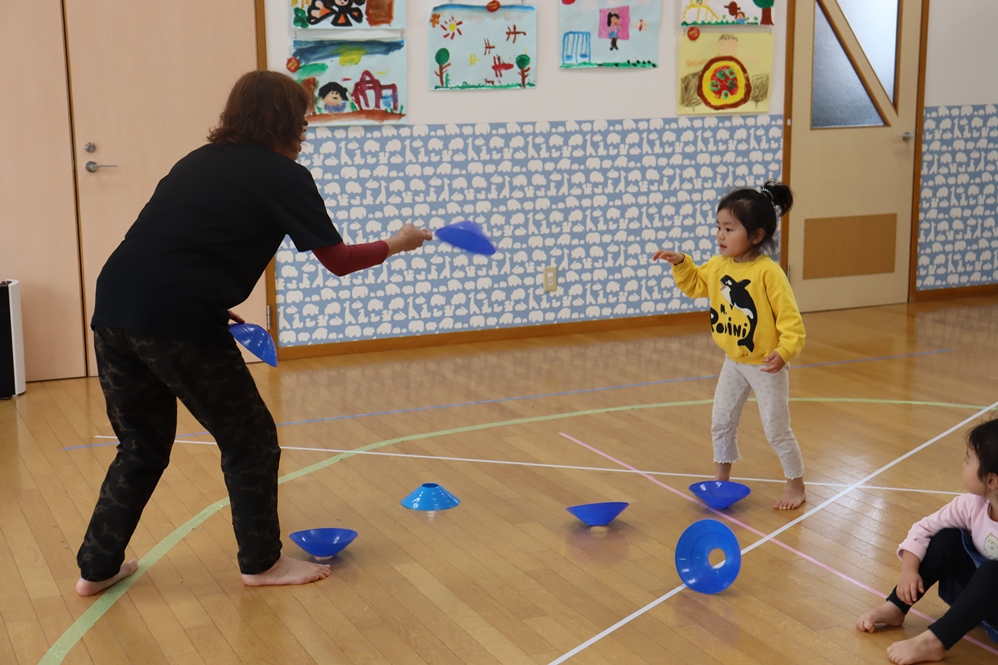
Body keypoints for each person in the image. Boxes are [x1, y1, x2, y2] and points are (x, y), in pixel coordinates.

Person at [75, 70, 432, 596]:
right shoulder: (285, 176)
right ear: (283, 121)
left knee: (140, 445)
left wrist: (209, 304)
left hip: (116, 307)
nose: (306, 128)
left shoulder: (197, 161)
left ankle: (97, 567)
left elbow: (173, 245)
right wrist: (398, 242)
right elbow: (338, 261)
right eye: (302, 119)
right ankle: (262, 563)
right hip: (177, 317)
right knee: (251, 441)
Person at [652, 180, 806, 510]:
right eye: (718, 227)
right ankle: (721, 481)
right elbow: (695, 285)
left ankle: (796, 485)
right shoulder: (718, 265)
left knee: (776, 429)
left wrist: (784, 351)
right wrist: (681, 262)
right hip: (733, 361)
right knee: (721, 421)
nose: (720, 235)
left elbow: (792, 321)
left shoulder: (769, 273)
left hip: (765, 365)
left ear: (756, 236)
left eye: (729, 229)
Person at [857, 419, 998, 664]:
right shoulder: (971, 505)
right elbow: (922, 530)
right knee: (946, 538)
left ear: (992, 481)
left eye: (968, 460)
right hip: (980, 604)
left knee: (993, 573)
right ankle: (896, 607)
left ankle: (935, 641)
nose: (963, 464)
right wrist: (908, 571)